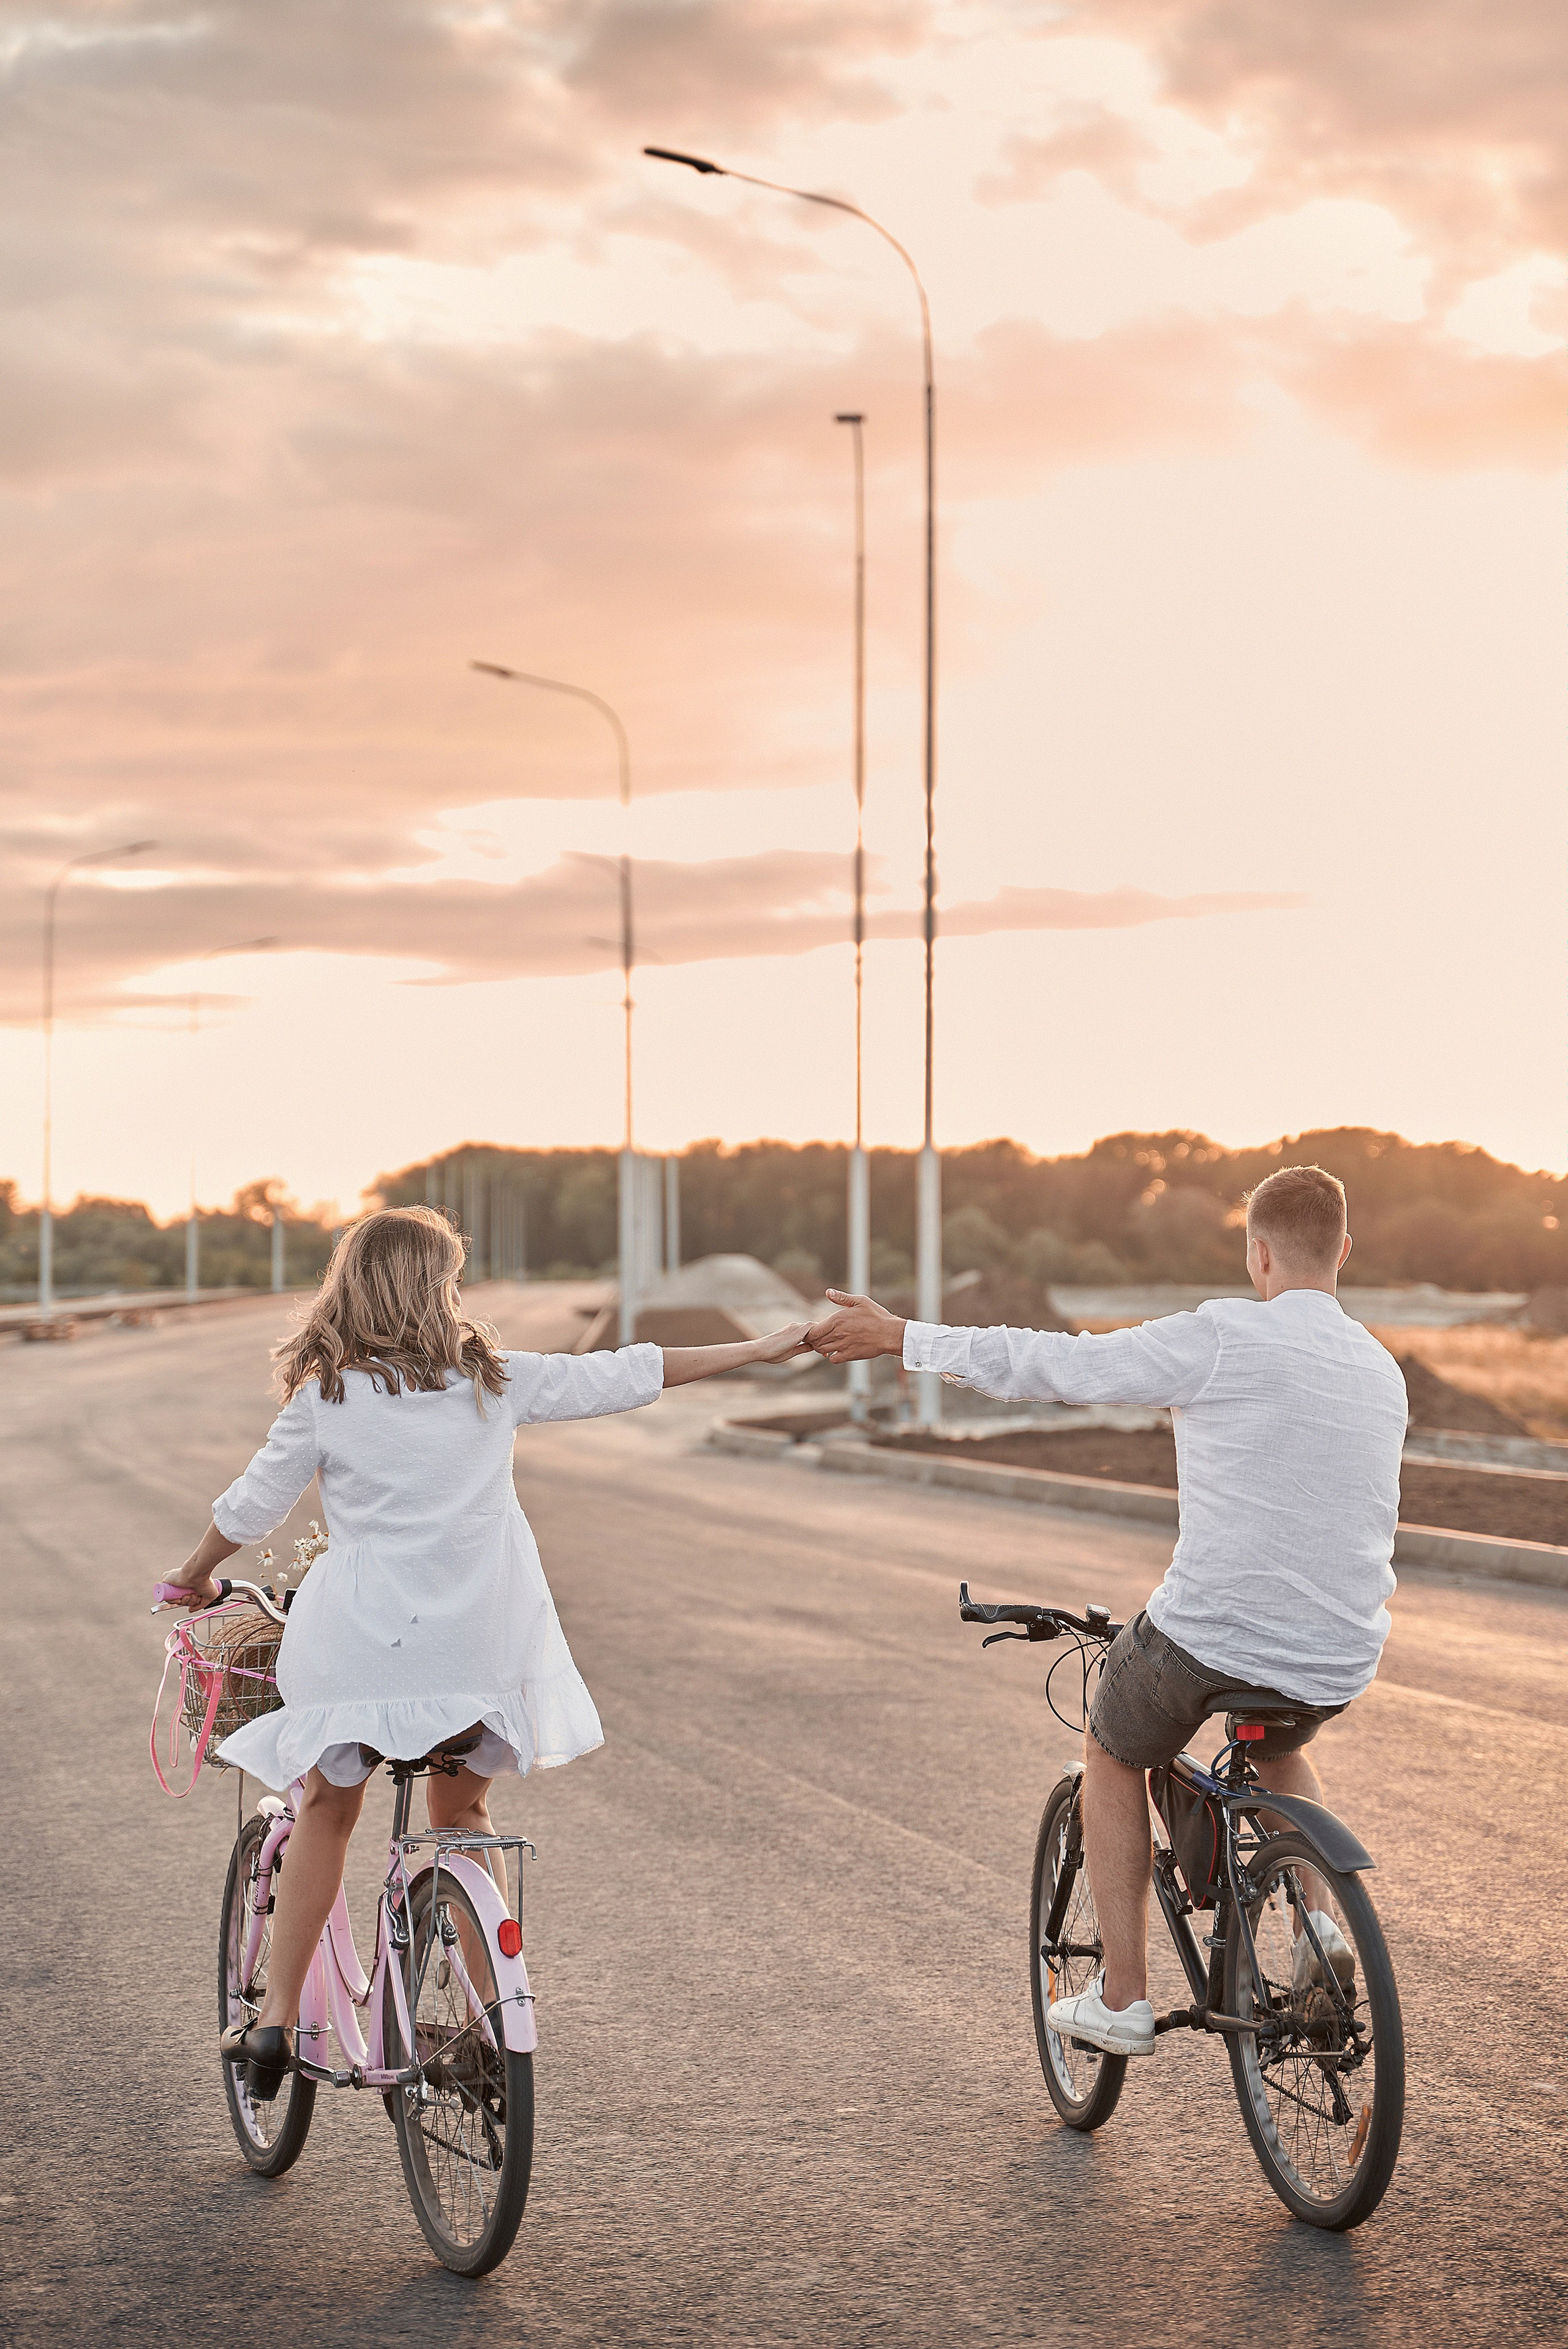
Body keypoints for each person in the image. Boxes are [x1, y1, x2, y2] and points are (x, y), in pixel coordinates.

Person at [163, 1205, 810, 2097]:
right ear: (437, 1288)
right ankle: (484, 2015)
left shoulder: (329, 1395)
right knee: (461, 1816)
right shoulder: (495, 1383)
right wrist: (764, 1347)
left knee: (326, 1811)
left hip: (358, 1651)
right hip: (475, 1650)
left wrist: (195, 1573)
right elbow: (629, 1373)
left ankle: (273, 2025)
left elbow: (249, 1508)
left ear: (350, 1283)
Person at [808, 1163, 1408, 2057]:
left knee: (1113, 1745)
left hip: (1216, 1639)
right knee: (1281, 1747)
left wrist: (904, 1335)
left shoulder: (1220, 1338)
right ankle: (1318, 1929)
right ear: (1345, 1252)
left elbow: (1062, 1364)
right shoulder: (1381, 1369)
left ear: (1258, 1254)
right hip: (1340, 1657)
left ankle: (1124, 1994)